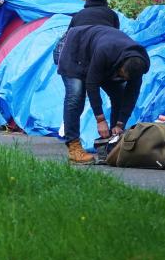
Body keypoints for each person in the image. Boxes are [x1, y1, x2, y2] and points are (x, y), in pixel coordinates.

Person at [57, 25, 150, 164]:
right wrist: (100, 120)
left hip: (103, 59)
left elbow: (131, 95)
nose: (121, 78)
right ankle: (74, 147)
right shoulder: (105, 51)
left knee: (120, 95)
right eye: (121, 75)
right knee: (75, 97)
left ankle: (112, 144)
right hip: (76, 49)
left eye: (125, 78)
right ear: (121, 65)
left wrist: (120, 124)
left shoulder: (138, 64)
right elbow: (92, 84)